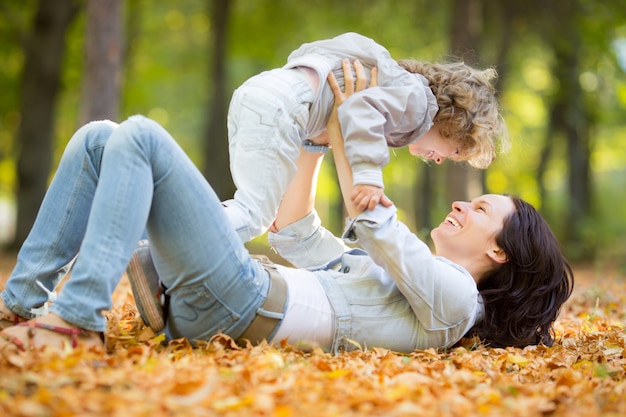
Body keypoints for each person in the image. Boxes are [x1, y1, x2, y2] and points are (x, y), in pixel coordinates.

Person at [0, 64, 569, 356]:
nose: (460, 203)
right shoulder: (400, 284)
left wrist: (357, 119)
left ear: (500, 248)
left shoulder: (456, 303)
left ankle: (76, 320)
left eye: (480, 207)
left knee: (142, 138)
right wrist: (322, 133)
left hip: (243, 301)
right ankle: (21, 305)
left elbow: (372, 219)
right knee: (102, 138)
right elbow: (295, 231)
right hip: (233, 296)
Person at [223, 31, 509, 243]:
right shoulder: (418, 102)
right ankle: (181, 232)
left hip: (259, 92)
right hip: (284, 106)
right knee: (253, 215)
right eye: (457, 151)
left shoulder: (397, 87)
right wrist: (368, 178)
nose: (442, 159)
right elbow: (359, 108)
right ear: (453, 122)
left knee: (255, 208)